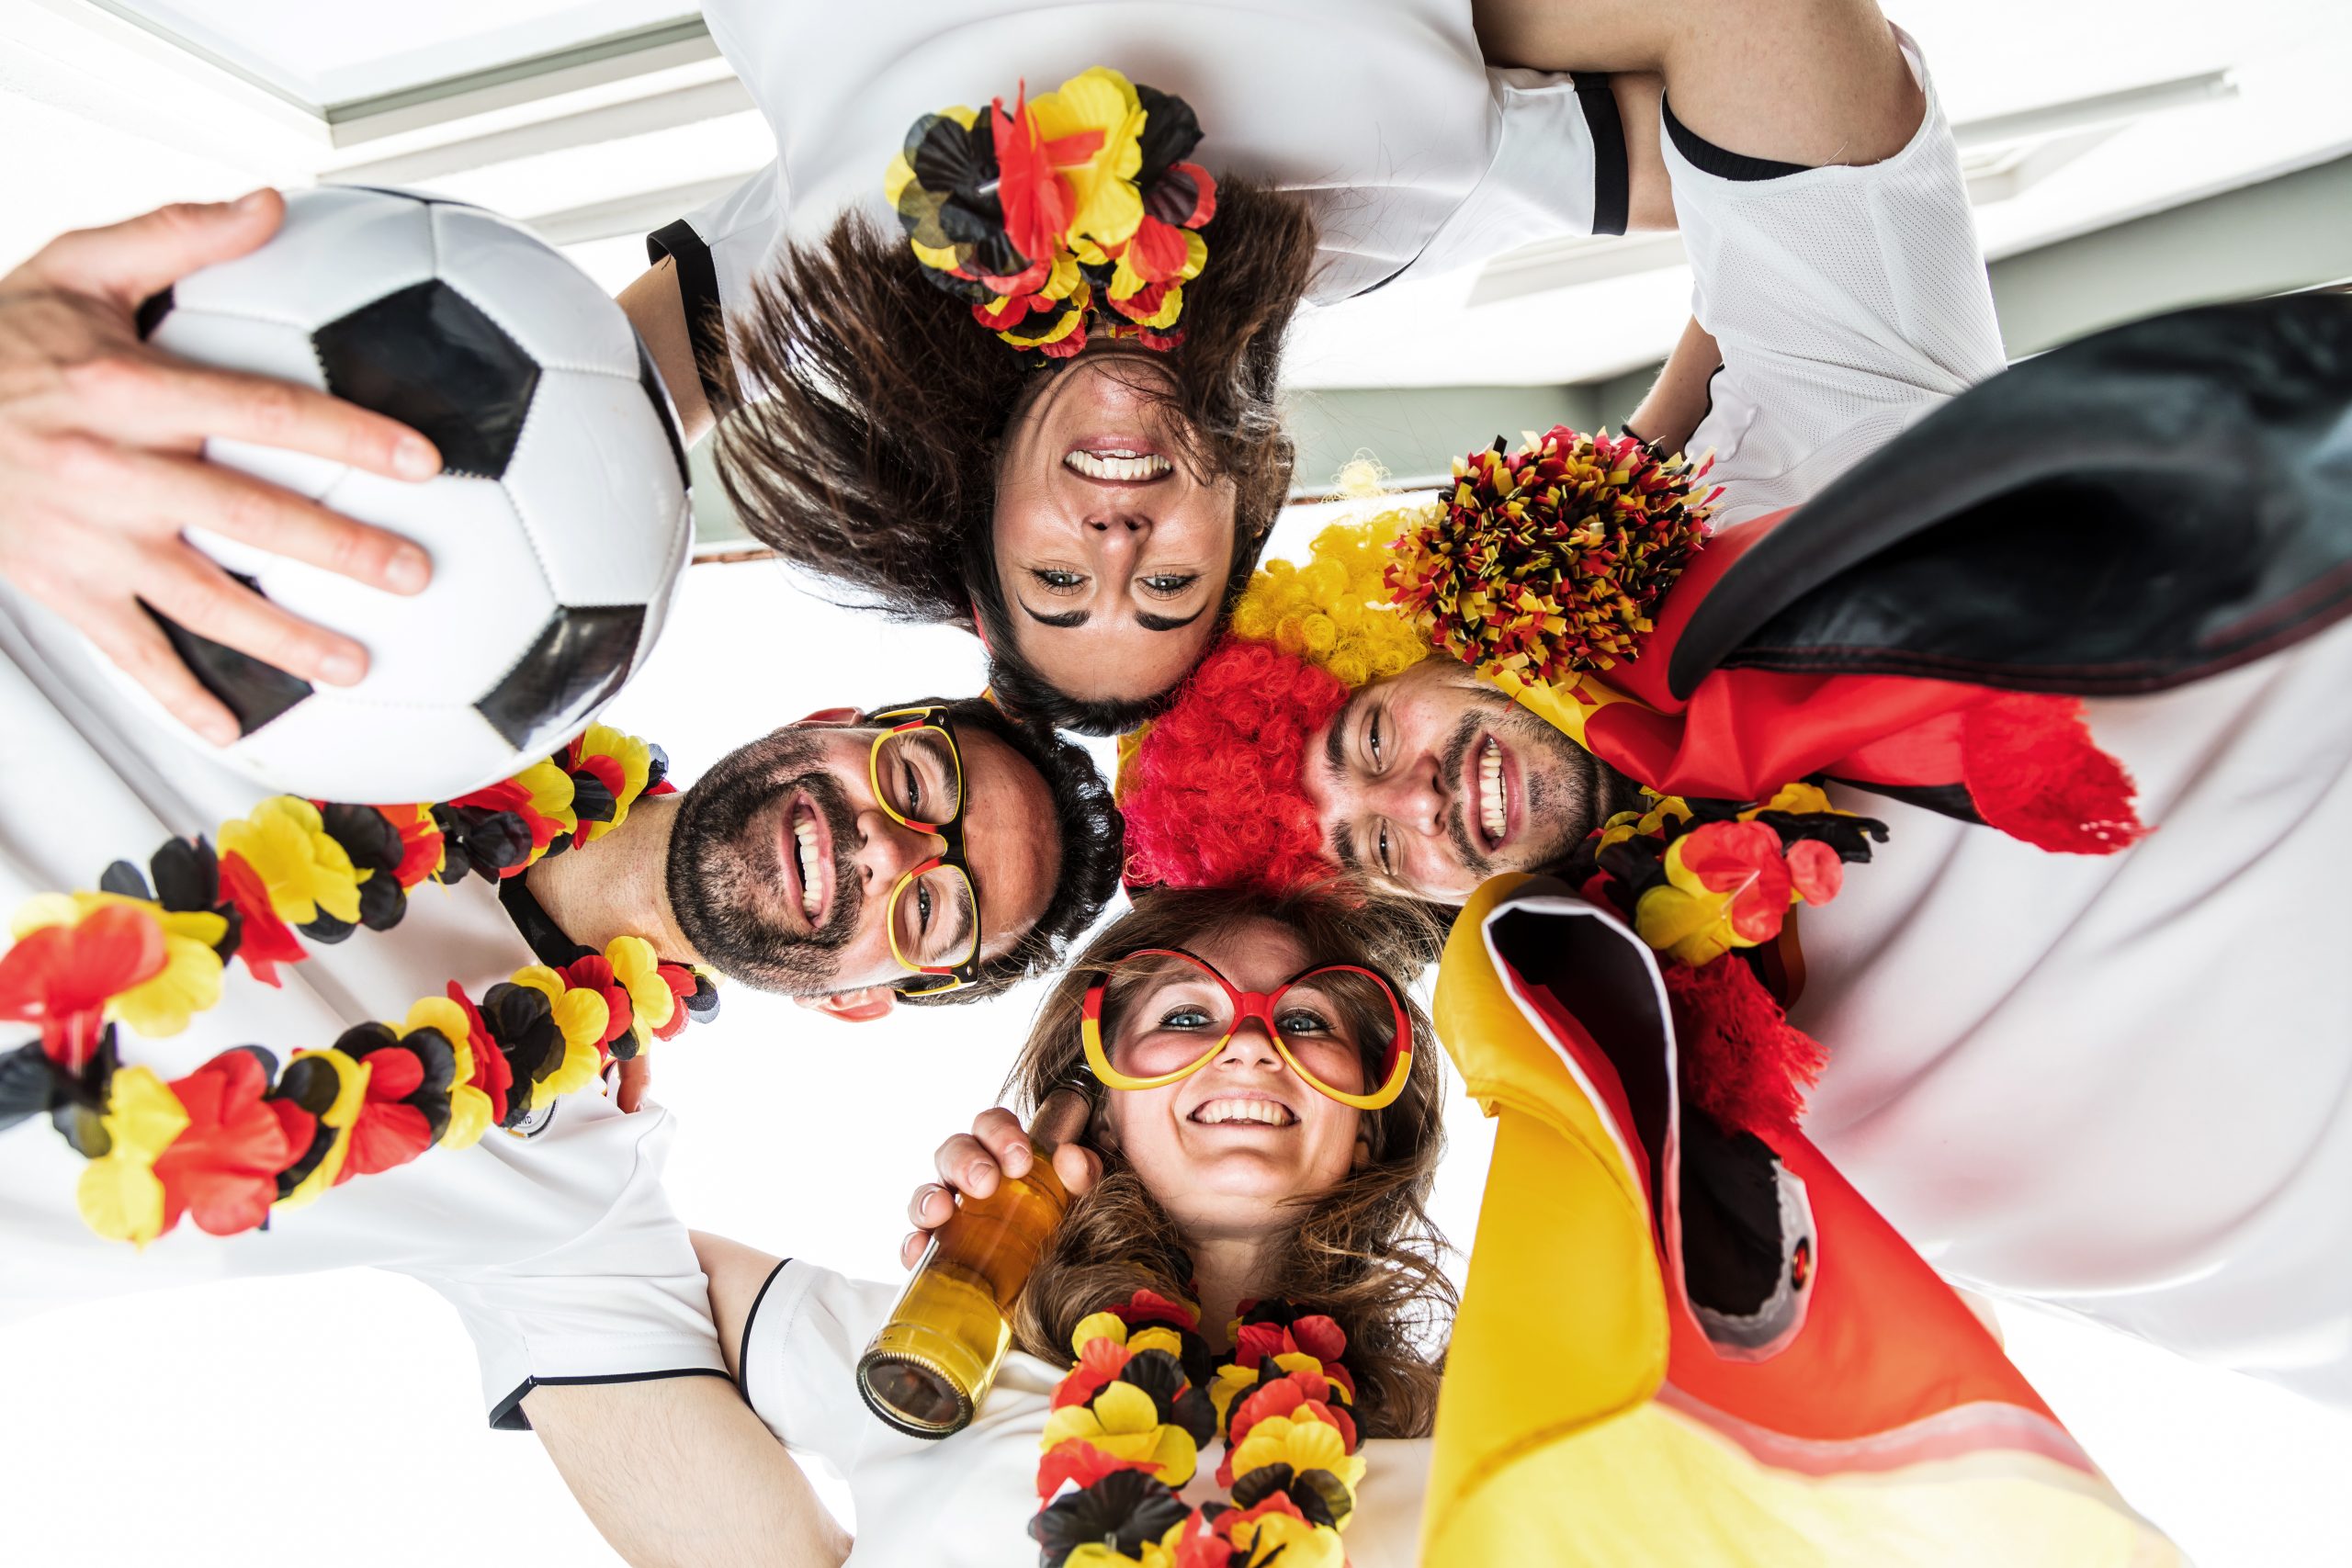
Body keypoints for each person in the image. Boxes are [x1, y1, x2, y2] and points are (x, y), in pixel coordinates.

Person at [0, 0, 1693, 740]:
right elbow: (1787, 129)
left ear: (974, 503)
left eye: (1054, 576)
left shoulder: (816, 284)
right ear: (1242, 494)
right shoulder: (1398, 210)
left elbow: (482, 447)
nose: (1115, 545)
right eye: (1168, 582)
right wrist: (1704, 430)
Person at [0, 555, 1120, 1557]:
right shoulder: (457, 653)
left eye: (932, 911)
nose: (894, 847)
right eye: (918, 783)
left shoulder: (570, 1196)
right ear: (830, 718)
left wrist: (1046, 1321)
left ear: (859, 1004)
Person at [687, 883, 2173, 1566]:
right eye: (1185, 1014)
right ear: (1099, 1089)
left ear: (1380, 1111)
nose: (1249, 1048)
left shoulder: (1499, 1432)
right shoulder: (933, 1370)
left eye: (1316, 1023)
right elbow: (588, 1270)